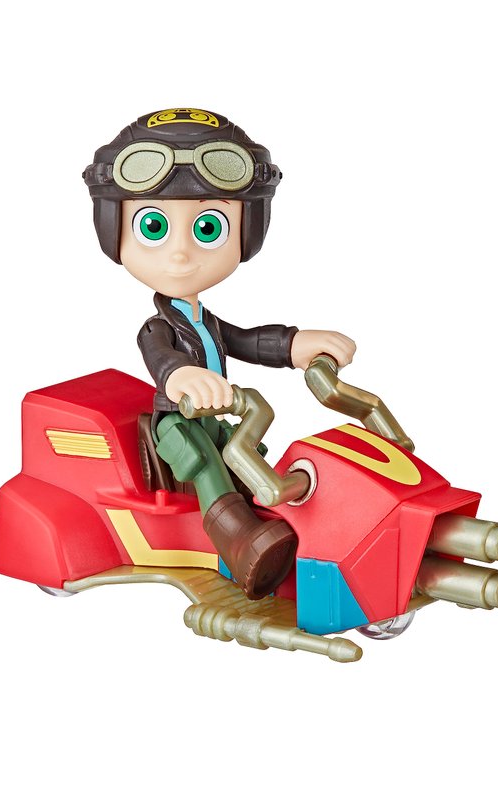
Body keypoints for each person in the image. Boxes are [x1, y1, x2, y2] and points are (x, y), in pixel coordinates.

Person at [83, 108, 355, 599]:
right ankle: (240, 544)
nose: (180, 253)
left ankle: (277, 523)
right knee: (207, 463)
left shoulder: (204, 319)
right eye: (153, 227)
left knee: (247, 458)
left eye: (208, 228)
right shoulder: (157, 327)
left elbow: (246, 340)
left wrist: (293, 344)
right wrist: (181, 377)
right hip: (176, 424)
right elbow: (162, 359)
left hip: (215, 416)